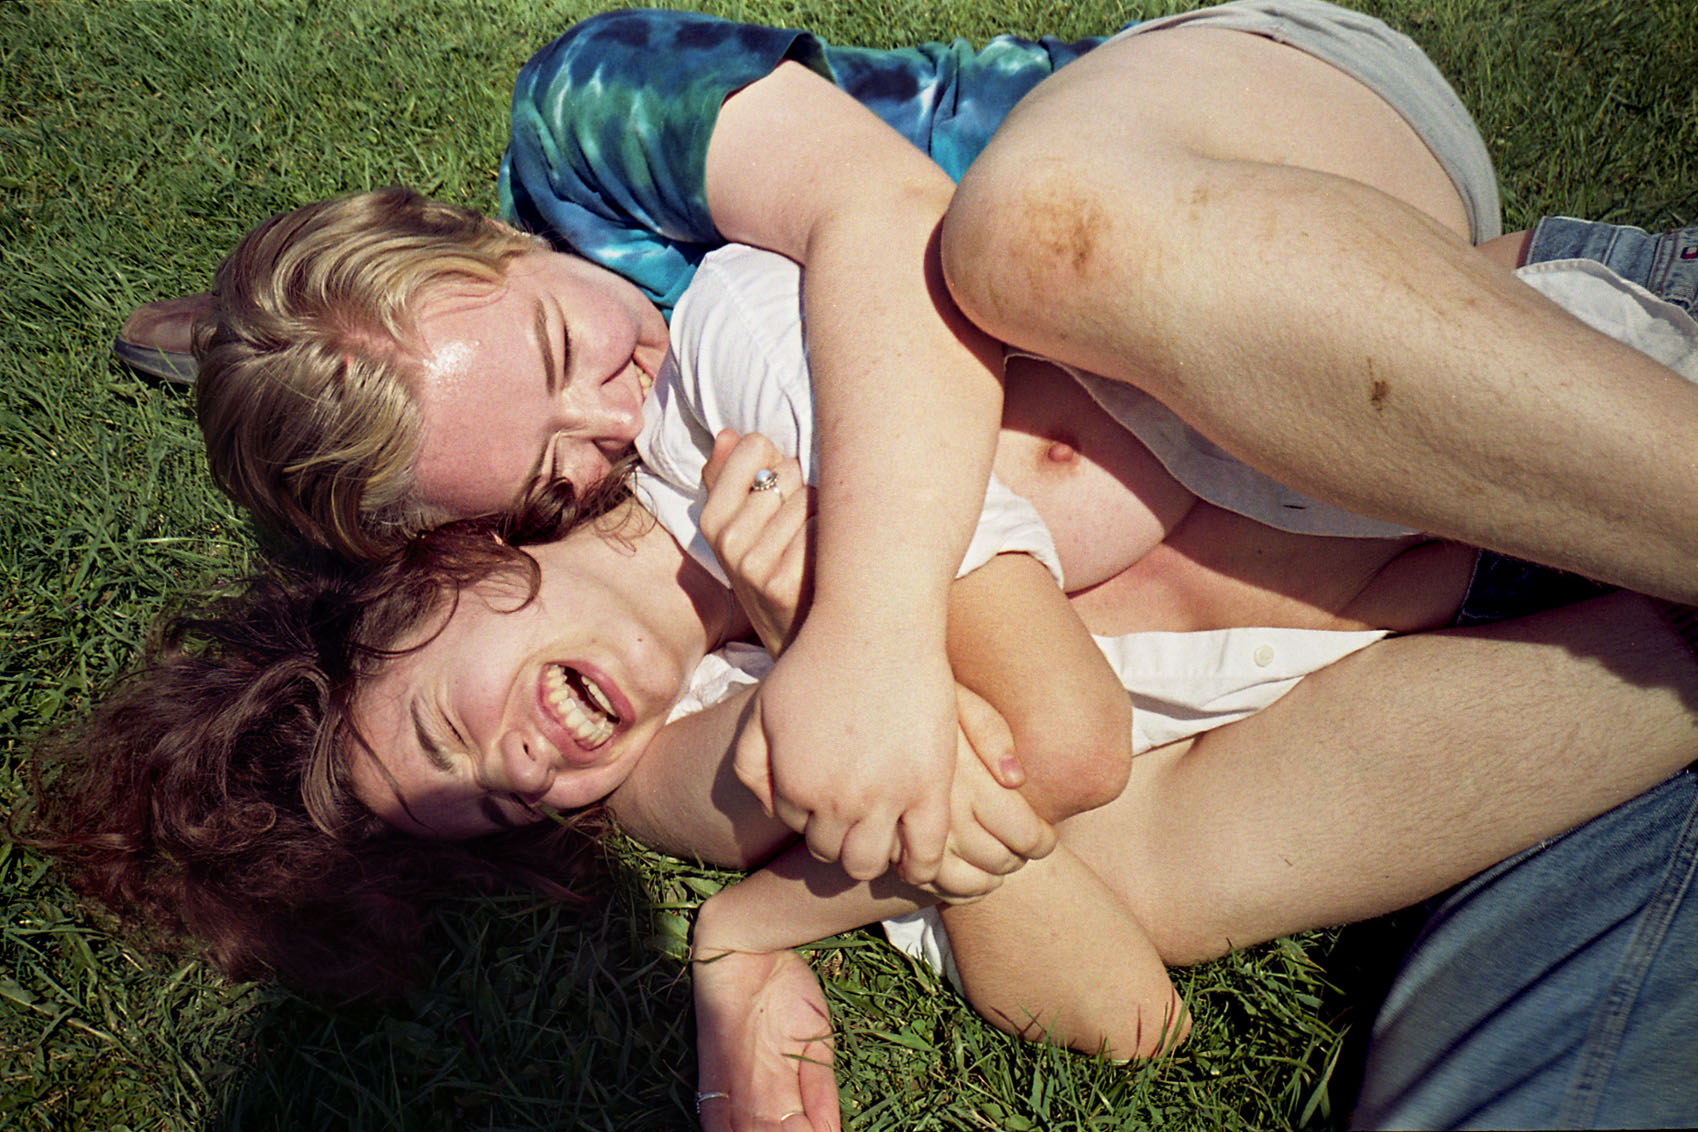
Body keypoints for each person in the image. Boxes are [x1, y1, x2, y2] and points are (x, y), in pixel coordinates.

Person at [118, 1, 1698, 904]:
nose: (611, 415)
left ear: (479, 231)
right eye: (546, 479)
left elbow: (887, 214)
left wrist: (861, 628)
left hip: (1260, 166)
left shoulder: (586, 126)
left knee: (1025, 247)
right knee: (1105, 849)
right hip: (1318, 427)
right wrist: (753, 927)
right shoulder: (623, 494)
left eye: (552, 351)